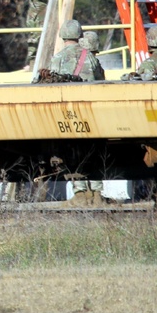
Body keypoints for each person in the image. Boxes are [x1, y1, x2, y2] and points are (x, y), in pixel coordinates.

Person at [48, 21, 105, 205]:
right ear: (79, 35)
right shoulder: (90, 57)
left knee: (73, 153)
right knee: (93, 152)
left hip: (67, 115)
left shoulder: (57, 58)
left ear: (63, 36)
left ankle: (80, 193)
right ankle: (97, 193)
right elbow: (101, 82)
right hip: (90, 113)